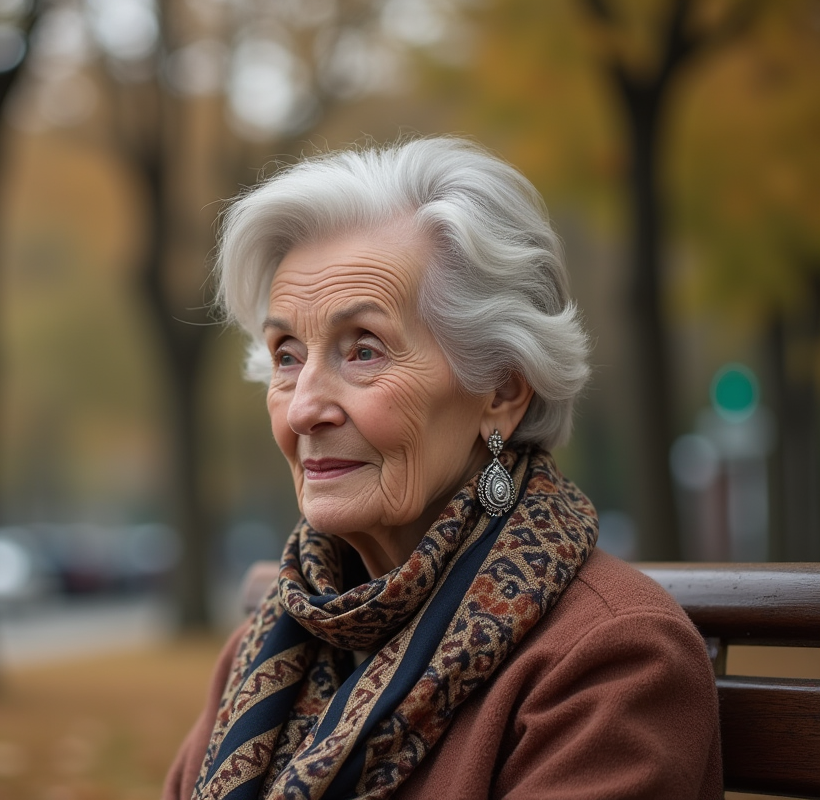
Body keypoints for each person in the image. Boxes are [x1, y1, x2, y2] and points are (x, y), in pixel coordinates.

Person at [163, 138, 722, 800]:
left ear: (502, 389)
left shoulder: (612, 659)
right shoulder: (268, 650)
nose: (304, 408)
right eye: (287, 355)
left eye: (364, 350)